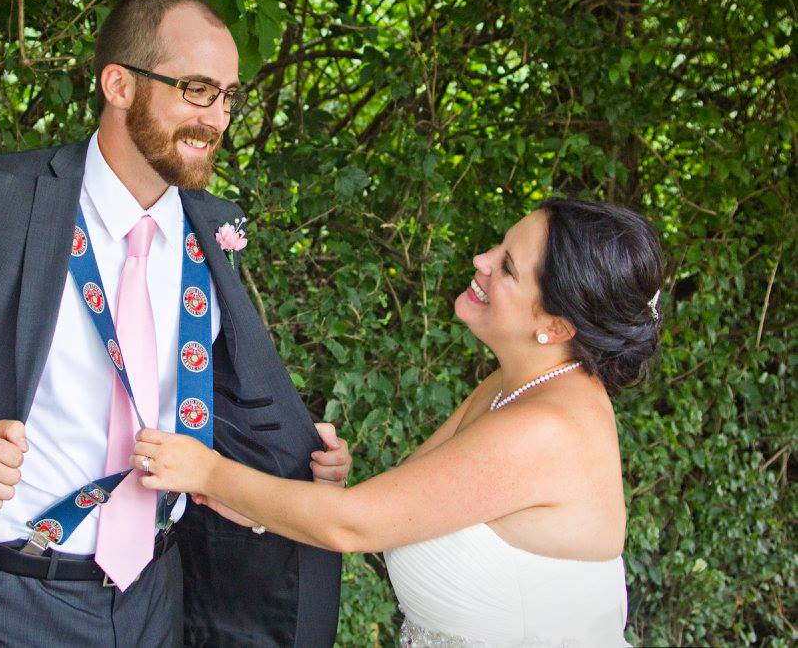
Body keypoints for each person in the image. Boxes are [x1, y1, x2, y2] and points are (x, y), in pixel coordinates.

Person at [0, 0, 350, 648]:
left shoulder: (212, 229)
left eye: (228, 96)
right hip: (1, 593)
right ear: (119, 85)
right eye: (197, 89)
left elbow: (208, 402)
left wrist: (297, 458)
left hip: (156, 600)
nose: (217, 117)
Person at [134, 198, 664, 646]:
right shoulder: (515, 387)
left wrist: (207, 472)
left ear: (557, 326)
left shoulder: (546, 429)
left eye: (506, 267)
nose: (480, 260)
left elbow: (354, 525)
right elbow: (389, 513)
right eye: (499, 245)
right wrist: (320, 491)